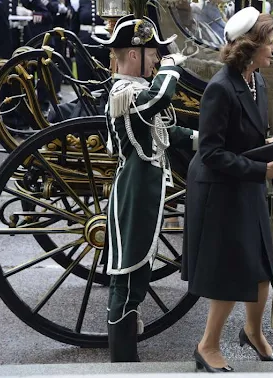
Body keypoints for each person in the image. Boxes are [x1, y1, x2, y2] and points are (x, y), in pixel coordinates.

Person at [181, 7, 273, 372]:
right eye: (269, 44)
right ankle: (207, 346)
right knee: (230, 273)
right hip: (220, 190)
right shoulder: (220, 88)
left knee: (260, 266)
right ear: (251, 47)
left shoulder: (257, 81)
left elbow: (246, 134)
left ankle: (253, 332)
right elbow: (210, 152)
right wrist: (259, 168)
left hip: (246, 183)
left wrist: (269, 144)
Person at [92, 13, 198, 362]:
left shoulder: (134, 90)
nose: (156, 59)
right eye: (153, 53)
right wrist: (171, 67)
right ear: (135, 54)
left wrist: (207, 139)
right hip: (136, 191)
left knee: (139, 270)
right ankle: (122, 359)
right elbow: (158, 101)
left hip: (144, 189)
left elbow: (165, 134)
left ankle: (125, 353)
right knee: (127, 273)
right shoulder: (126, 92)